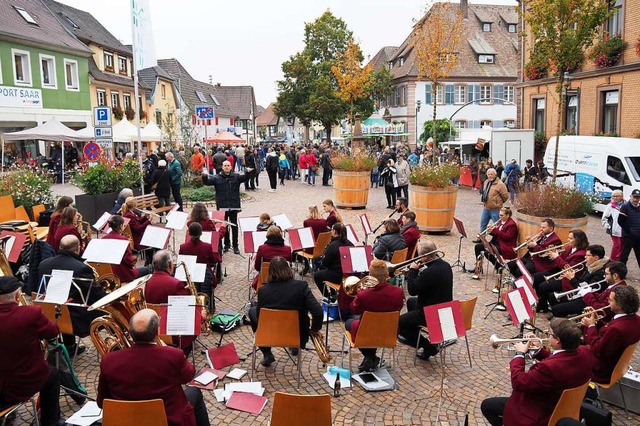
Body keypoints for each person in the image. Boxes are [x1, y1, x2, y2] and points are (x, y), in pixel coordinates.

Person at [97, 309, 209, 426]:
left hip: (127, 421)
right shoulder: (173, 355)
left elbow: (101, 402)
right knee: (195, 391)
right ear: (157, 331)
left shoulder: (108, 360)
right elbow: (189, 376)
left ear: (130, 332)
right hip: (169, 420)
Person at [480, 318, 592, 426]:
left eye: (550, 335)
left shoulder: (547, 368)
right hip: (561, 406)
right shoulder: (584, 352)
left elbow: (518, 382)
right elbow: (560, 360)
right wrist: (538, 350)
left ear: (558, 340)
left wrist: (519, 354)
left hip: (536, 412)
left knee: (487, 406)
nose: (548, 337)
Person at [0, 277, 63, 426]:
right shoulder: (31, 313)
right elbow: (53, 332)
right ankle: (50, 421)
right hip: (18, 385)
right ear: (17, 296)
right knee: (53, 374)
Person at [248, 257, 323, 367]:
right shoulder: (302, 287)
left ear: (270, 272)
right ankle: (294, 346)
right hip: (296, 334)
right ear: (288, 269)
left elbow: (259, 316)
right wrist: (314, 330)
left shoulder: (263, 290)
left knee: (252, 311)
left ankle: (266, 352)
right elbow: (318, 312)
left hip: (269, 334)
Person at [38, 235, 107, 354]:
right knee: (107, 311)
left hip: (49, 312)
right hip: (73, 318)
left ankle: (69, 345)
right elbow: (96, 295)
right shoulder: (81, 268)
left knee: (65, 302)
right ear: (78, 248)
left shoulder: (44, 264)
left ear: (60, 247)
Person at [397, 241, 453, 360]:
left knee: (399, 323)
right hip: (443, 307)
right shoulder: (446, 265)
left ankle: (428, 347)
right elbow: (427, 284)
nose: (418, 258)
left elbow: (412, 289)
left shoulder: (429, 272)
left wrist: (412, 271)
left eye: (419, 255)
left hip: (431, 312)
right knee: (411, 301)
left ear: (425, 256)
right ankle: (413, 331)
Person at [345, 259, 404, 372]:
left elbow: (354, 310)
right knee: (371, 328)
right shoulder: (398, 292)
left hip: (365, 332)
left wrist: (360, 294)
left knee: (349, 322)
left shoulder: (363, 294)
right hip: (388, 332)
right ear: (387, 274)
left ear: (370, 275)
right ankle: (371, 357)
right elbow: (399, 307)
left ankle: (369, 356)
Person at [582, 285, 640, 384]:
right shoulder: (636, 319)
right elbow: (608, 332)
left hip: (601, 371)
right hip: (615, 363)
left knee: (569, 354)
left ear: (620, 305)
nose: (608, 301)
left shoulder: (616, 329)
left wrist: (591, 326)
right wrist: (597, 320)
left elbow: (598, 350)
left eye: (611, 300)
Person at [202, 160, 252, 254]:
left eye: (228, 165)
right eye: (225, 165)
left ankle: (235, 245)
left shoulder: (236, 176)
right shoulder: (217, 177)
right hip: (222, 205)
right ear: (222, 167)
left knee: (234, 226)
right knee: (224, 226)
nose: (226, 167)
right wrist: (204, 176)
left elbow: (245, 178)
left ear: (231, 166)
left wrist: (248, 172)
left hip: (234, 205)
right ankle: (226, 244)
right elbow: (207, 182)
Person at [533, 229, 588, 313]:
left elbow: (568, 268)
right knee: (537, 277)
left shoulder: (581, 254)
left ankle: (544, 305)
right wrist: (553, 253)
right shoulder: (569, 247)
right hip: (559, 272)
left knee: (543, 286)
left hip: (567, 278)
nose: (567, 240)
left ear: (578, 240)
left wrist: (556, 257)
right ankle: (541, 302)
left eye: (570, 238)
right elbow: (562, 258)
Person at [553, 261, 627, 320]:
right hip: (590, 304)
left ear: (615, 276)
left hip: (598, 316)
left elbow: (600, 309)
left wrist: (587, 294)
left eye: (606, 274)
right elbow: (600, 297)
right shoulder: (614, 285)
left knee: (558, 309)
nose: (604, 276)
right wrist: (590, 291)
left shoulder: (617, 291)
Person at [550, 245, 608, 317]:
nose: (585, 257)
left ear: (596, 258)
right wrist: (572, 276)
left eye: (587, 255)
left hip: (586, 300)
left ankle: (563, 323)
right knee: (552, 296)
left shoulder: (599, 273)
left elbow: (587, 289)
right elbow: (583, 281)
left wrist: (572, 279)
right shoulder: (591, 265)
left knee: (557, 309)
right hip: (580, 294)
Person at [472, 206, 518, 280]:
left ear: (508, 215)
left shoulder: (511, 225)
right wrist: (490, 231)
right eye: (499, 214)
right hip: (497, 243)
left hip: (505, 246)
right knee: (478, 246)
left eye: (501, 215)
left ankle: (498, 266)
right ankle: (478, 268)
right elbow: (497, 234)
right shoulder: (500, 221)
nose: (499, 217)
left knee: (487, 252)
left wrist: (495, 230)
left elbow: (507, 237)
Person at [101, 215, 151, 283]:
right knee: (148, 269)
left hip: (109, 273)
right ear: (121, 226)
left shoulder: (103, 238)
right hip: (123, 274)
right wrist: (131, 250)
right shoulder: (123, 239)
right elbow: (129, 261)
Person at [313, 223, 354, 302]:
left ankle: (327, 296)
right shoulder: (350, 244)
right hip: (347, 275)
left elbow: (326, 263)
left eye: (332, 230)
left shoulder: (333, 245)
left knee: (317, 275)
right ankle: (333, 293)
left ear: (334, 231)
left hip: (337, 276)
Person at [179, 223, 217, 306]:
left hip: (189, 276)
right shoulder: (207, 246)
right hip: (204, 276)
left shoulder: (183, 247)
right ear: (201, 233)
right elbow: (213, 261)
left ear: (189, 233)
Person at [477, 168, 509, 237]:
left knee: (497, 225)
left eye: (491, 174)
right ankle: (481, 239)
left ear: (495, 175)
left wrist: (498, 202)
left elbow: (505, 196)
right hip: (486, 207)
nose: (490, 176)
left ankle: (497, 240)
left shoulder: (500, 184)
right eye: (488, 174)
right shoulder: (486, 182)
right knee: (483, 224)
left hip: (496, 209)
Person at [617, 188, 640, 269]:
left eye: (637, 198)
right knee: (624, 256)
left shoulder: (639, 207)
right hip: (628, 236)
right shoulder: (625, 207)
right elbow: (620, 221)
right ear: (630, 197)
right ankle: (620, 272)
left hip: (638, 236)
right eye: (634, 197)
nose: (635, 199)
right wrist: (629, 230)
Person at [602, 189, 624, 261]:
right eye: (613, 196)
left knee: (622, 246)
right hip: (614, 230)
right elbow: (604, 218)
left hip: (624, 230)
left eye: (617, 196)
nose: (615, 198)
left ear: (621, 197)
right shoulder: (610, 206)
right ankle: (613, 260)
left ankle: (619, 260)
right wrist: (609, 226)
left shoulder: (626, 205)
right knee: (616, 245)